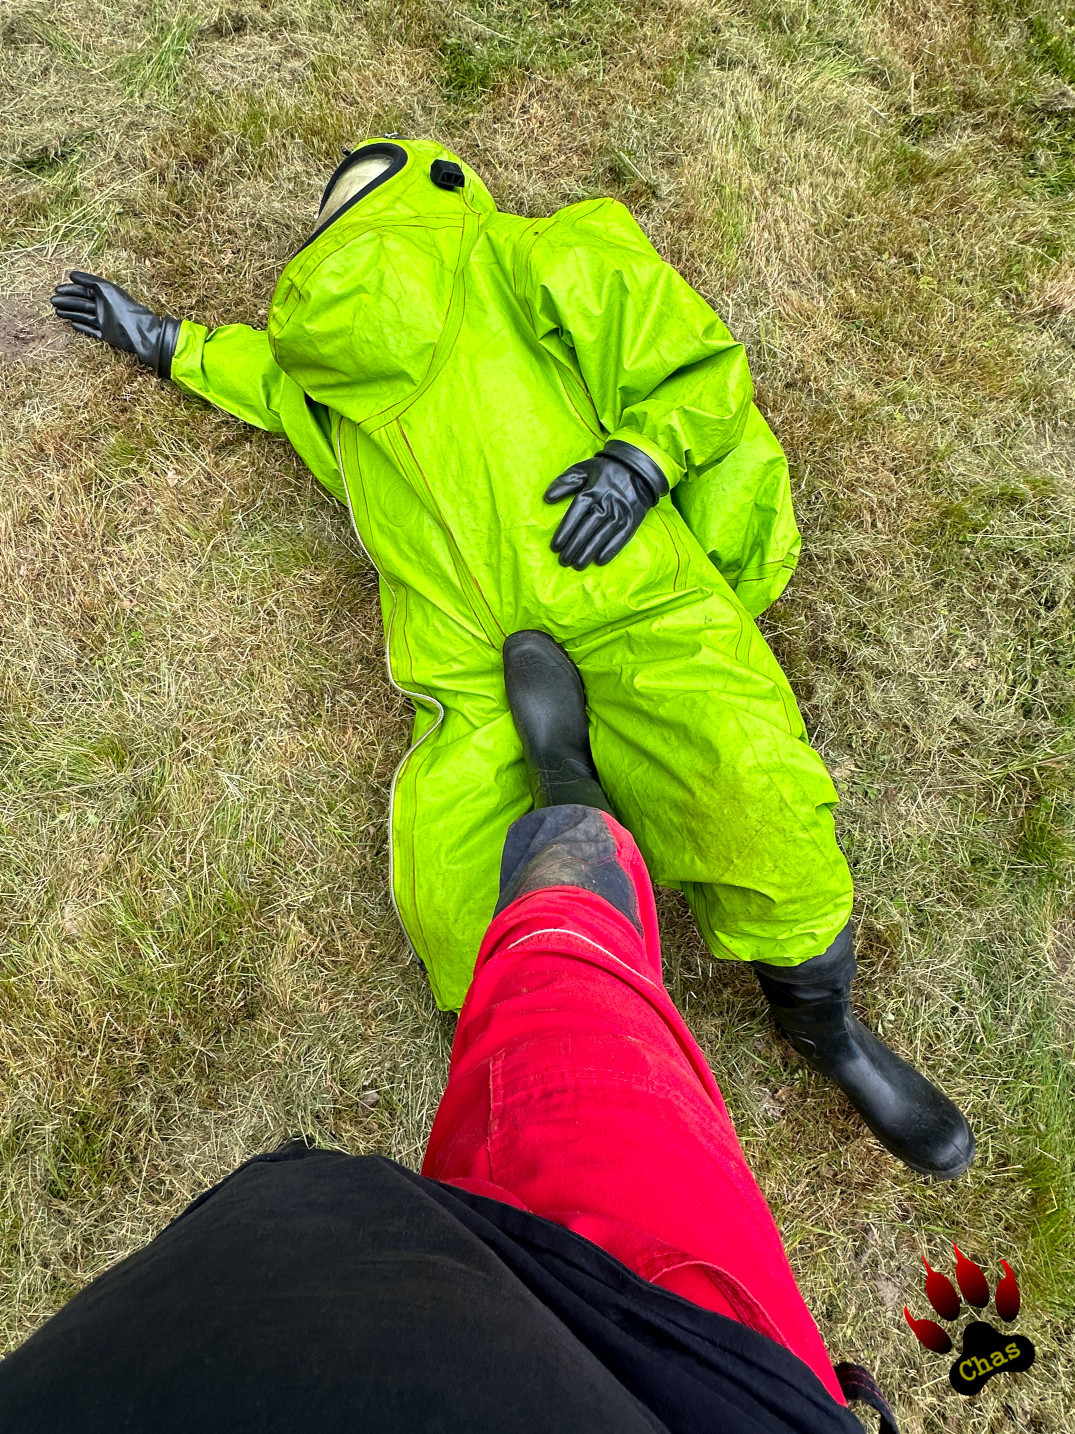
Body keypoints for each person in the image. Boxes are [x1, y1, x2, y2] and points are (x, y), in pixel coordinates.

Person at [49, 138, 973, 1179]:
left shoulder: (513, 263)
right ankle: (798, 1023)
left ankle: (777, 1033)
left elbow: (665, 354)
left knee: (716, 796)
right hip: (551, 613)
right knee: (523, 856)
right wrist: (168, 342)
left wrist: (637, 460)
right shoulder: (346, 352)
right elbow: (688, 358)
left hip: (574, 600)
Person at [0, 633, 896, 1434]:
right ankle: (574, 792)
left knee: (564, 960)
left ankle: (794, 997)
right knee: (571, 984)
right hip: (696, 1371)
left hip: (280, 1320)